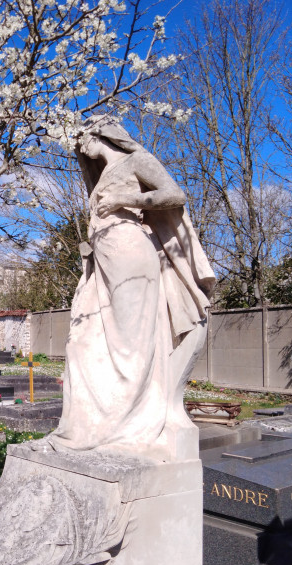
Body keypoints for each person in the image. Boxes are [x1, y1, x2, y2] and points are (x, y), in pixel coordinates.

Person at [44, 117, 215, 458]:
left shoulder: (136, 160)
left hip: (130, 253)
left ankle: (127, 420)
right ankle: (92, 421)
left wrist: (125, 198)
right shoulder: (101, 173)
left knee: (128, 343)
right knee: (82, 343)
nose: (80, 148)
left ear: (100, 133)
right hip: (102, 259)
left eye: (83, 139)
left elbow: (175, 194)